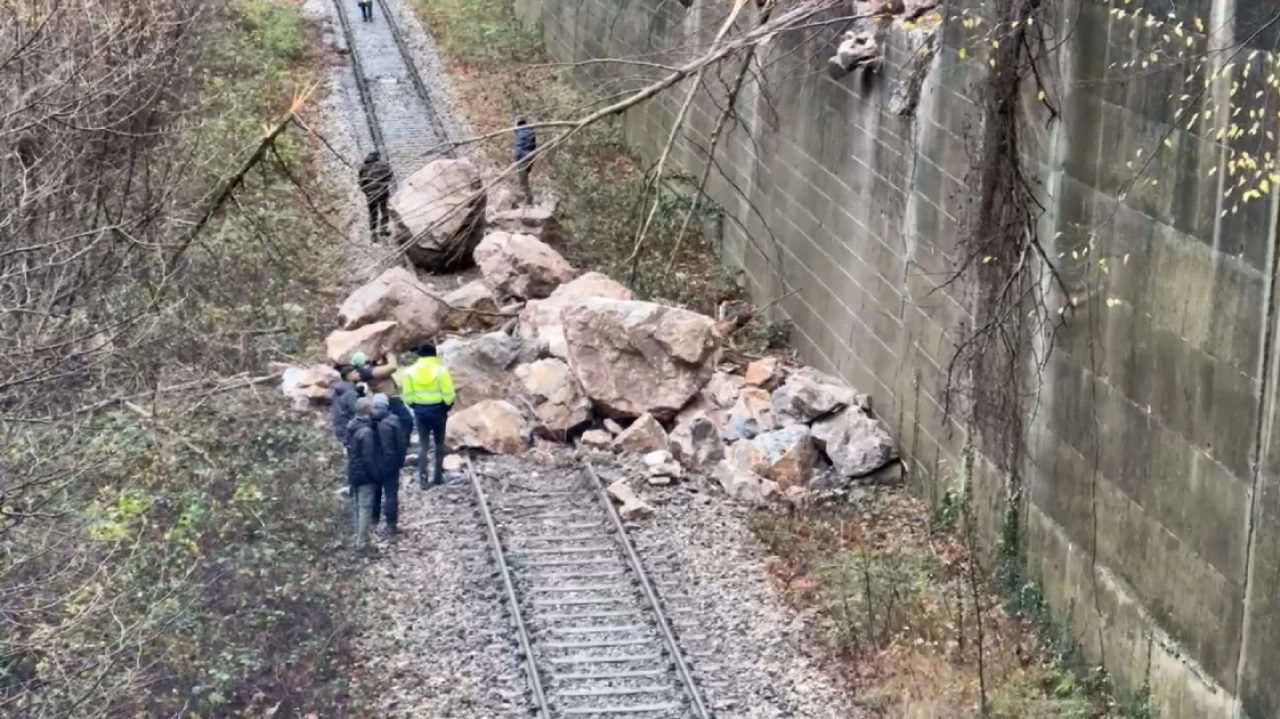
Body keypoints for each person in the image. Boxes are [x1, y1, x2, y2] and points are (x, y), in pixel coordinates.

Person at [399, 343, 455, 488]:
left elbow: (407, 396)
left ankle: (423, 479)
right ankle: (437, 477)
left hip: (421, 411)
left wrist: (415, 406)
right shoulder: (441, 371)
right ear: (434, 354)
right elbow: (448, 393)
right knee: (439, 443)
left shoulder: (410, 371)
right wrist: (446, 406)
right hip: (439, 410)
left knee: (423, 445)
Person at [368, 394, 410, 539]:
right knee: (391, 494)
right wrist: (400, 461)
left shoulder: (368, 421)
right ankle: (391, 525)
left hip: (373, 463)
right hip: (391, 464)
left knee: (375, 492)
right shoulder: (393, 421)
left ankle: (373, 519)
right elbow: (401, 444)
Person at [345, 398, 382, 553]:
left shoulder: (351, 426)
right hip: (365, 475)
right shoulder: (366, 432)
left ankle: (356, 537)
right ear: (367, 410)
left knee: (356, 507)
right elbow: (368, 457)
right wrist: (375, 475)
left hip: (352, 471)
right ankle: (361, 543)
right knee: (365, 508)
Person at [358, 151, 393, 240]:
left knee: (373, 213)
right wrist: (384, 184)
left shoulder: (363, 167)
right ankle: (384, 230)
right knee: (384, 210)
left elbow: (361, 182)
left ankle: (374, 234)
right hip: (383, 192)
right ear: (378, 157)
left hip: (370, 194)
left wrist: (366, 191)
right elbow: (390, 175)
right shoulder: (384, 164)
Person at [514, 117, 536, 206]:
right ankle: (528, 200)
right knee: (526, 178)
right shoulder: (531, 132)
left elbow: (519, 148)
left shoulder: (521, 133)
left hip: (523, 158)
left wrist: (516, 158)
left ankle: (528, 202)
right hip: (531, 157)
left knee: (523, 180)